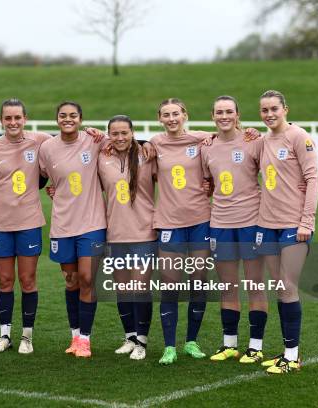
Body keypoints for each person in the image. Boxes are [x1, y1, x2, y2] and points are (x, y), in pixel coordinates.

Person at [0, 99, 51, 354]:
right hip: (0, 224)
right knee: (5, 280)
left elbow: (67, 149)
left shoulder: (40, 140)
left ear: (25, 118)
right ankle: (4, 335)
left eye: (17, 118)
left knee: (27, 280)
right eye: (8, 118)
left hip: (29, 222)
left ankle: (27, 337)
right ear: (1, 120)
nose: (13, 123)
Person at [255, 90, 318, 374]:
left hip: (294, 225)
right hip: (267, 224)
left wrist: (307, 221)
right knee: (279, 289)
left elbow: (312, 179)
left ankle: (292, 356)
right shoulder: (262, 140)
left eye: (274, 109)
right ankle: (286, 352)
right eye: (264, 110)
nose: (269, 114)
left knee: (287, 287)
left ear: (285, 110)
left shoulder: (299, 137)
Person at [201, 96, 268, 364]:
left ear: (238, 115)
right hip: (220, 223)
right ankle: (229, 344)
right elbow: (207, 183)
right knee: (228, 286)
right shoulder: (207, 147)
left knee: (254, 285)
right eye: (219, 112)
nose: (224, 116)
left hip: (251, 221)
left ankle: (255, 346)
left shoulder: (254, 141)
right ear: (212, 116)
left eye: (229, 111)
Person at [39, 101, 107, 358]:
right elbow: (43, 177)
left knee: (88, 279)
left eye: (73, 115)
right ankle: (75, 335)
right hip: (63, 224)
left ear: (81, 119)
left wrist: (101, 133)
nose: (68, 119)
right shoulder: (47, 148)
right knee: (72, 281)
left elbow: (124, 141)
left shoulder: (94, 140)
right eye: (63, 115)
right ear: (57, 119)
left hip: (92, 224)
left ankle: (86, 340)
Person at [150, 98, 213, 365]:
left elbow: (230, 135)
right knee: (170, 284)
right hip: (168, 222)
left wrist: (251, 131)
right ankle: (169, 346)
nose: (172, 118)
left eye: (176, 113)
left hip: (200, 220)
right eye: (167, 115)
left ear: (185, 115)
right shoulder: (153, 144)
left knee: (198, 281)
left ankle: (191, 341)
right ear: (160, 118)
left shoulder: (202, 140)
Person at [97, 115, 157, 361]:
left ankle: (142, 340)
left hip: (144, 231)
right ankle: (130, 336)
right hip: (115, 233)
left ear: (132, 133)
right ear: (109, 135)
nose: (120, 137)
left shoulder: (147, 154)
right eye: (115, 133)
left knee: (140, 288)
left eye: (125, 133)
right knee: (122, 289)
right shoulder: (102, 157)